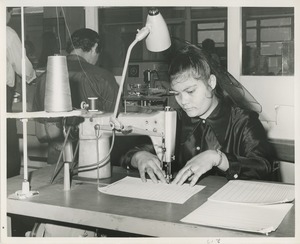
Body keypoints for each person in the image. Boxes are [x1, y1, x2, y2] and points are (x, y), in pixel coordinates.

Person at [121, 45, 274, 186]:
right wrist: (140, 156)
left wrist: (217, 158)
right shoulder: (176, 120)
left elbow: (264, 167)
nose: (183, 101)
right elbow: (128, 154)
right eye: (176, 94)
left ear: (211, 83)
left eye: (190, 91)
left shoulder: (243, 121)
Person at [32, 28, 119, 165]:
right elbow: (116, 127)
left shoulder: (44, 77)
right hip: (95, 159)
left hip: (58, 161)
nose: (97, 59)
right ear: (95, 46)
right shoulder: (104, 77)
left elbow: (41, 134)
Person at [6, 7, 36, 178]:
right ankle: (9, 178)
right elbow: (22, 65)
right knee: (7, 135)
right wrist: (32, 78)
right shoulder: (7, 33)